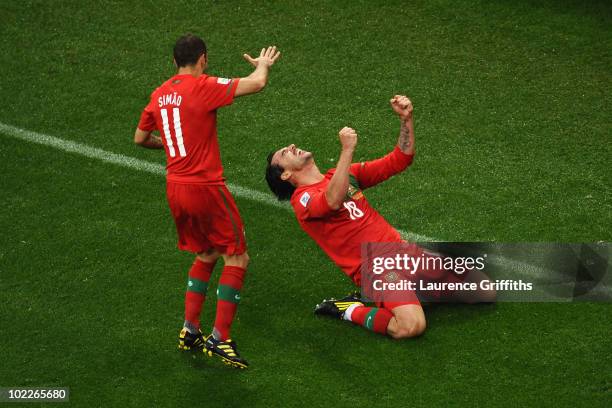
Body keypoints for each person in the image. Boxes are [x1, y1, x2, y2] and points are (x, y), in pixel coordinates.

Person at [265, 95, 495, 339]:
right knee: (411, 326)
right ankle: (350, 310)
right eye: (283, 154)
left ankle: (413, 290)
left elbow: (399, 160)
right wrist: (347, 150)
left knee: (485, 291)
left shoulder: (344, 175)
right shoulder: (302, 200)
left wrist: (406, 120)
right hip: (378, 270)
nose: (290, 146)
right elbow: (331, 201)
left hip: (404, 252)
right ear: (285, 174)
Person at [134, 34, 280, 367]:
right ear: (203, 59)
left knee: (207, 251)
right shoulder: (203, 85)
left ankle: (189, 330)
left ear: (174, 62)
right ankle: (219, 338)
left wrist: (172, 147)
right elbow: (256, 84)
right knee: (237, 257)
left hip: (175, 189)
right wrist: (263, 65)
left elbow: (140, 138)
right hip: (205, 188)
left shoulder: (158, 95)